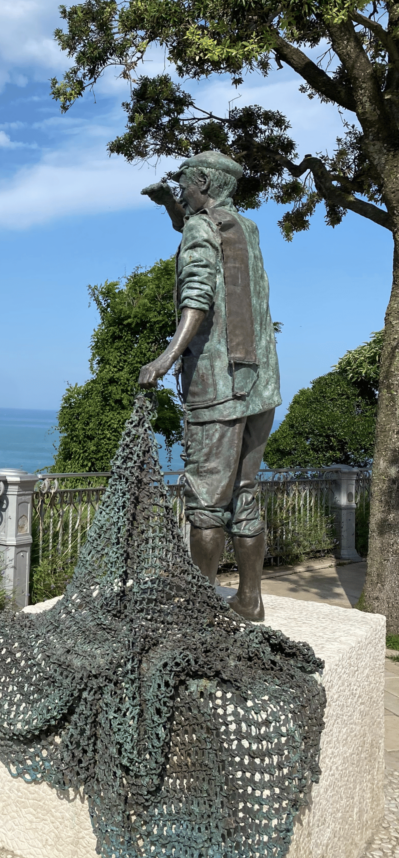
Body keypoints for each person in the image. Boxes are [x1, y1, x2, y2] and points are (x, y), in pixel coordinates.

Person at [138, 151, 281, 620]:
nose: (180, 191)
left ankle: (198, 608)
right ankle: (249, 599)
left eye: (182, 185)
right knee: (245, 492)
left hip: (217, 387)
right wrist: (169, 208)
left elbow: (197, 295)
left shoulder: (204, 229)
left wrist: (166, 357)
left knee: (205, 500)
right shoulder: (243, 228)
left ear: (203, 181)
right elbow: (200, 229)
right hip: (259, 385)